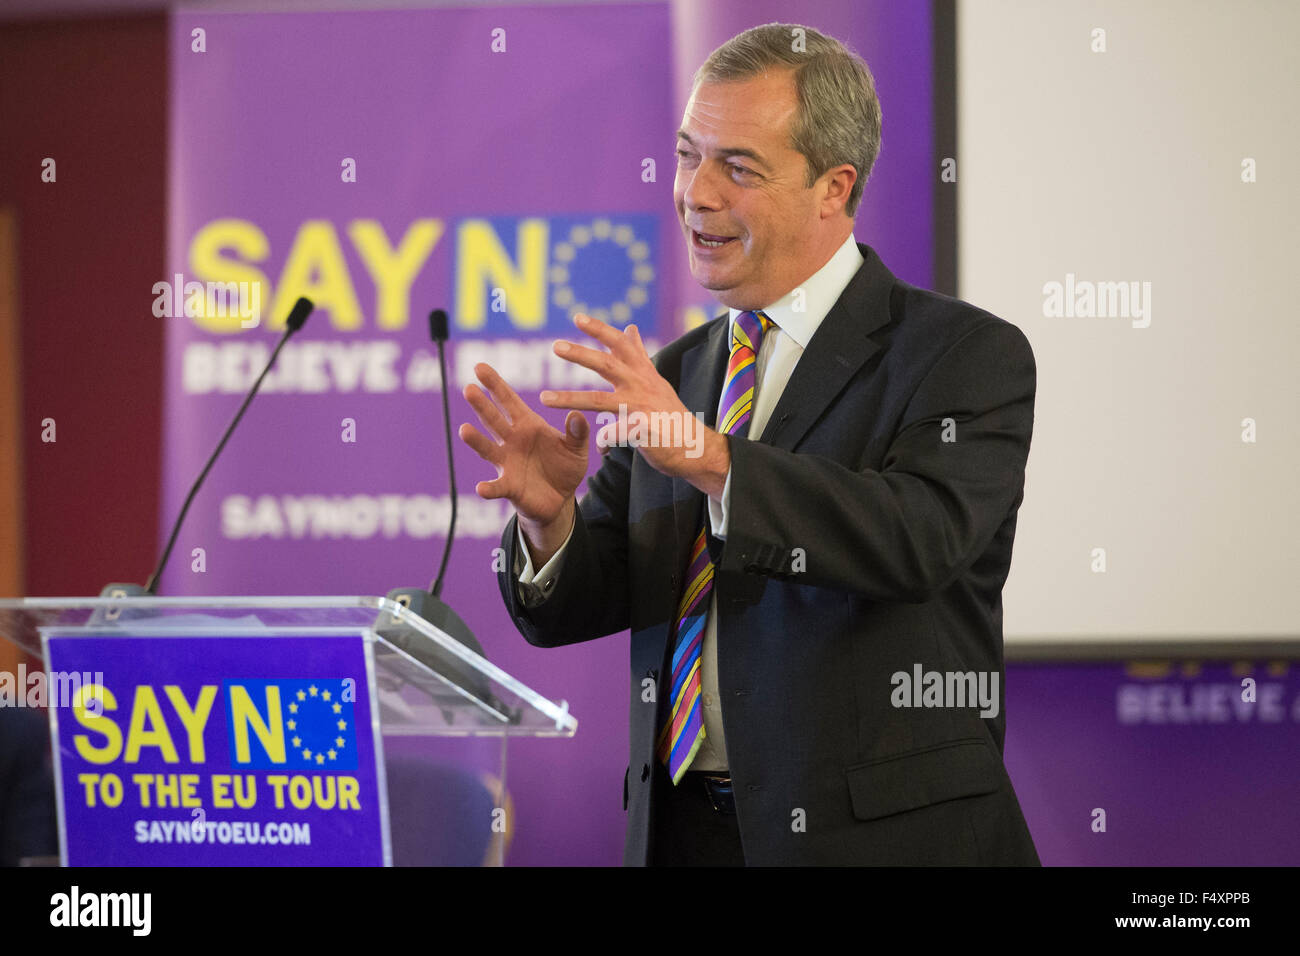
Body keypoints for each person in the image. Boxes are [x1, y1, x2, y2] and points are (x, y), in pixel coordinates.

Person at [460, 23, 1040, 865]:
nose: (695, 192)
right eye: (688, 155)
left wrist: (710, 458)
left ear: (832, 188)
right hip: (683, 833)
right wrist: (551, 526)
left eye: (738, 166)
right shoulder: (681, 372)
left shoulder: (961, 354)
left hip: (880, 838)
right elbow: (586, 604)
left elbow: (919, 539)